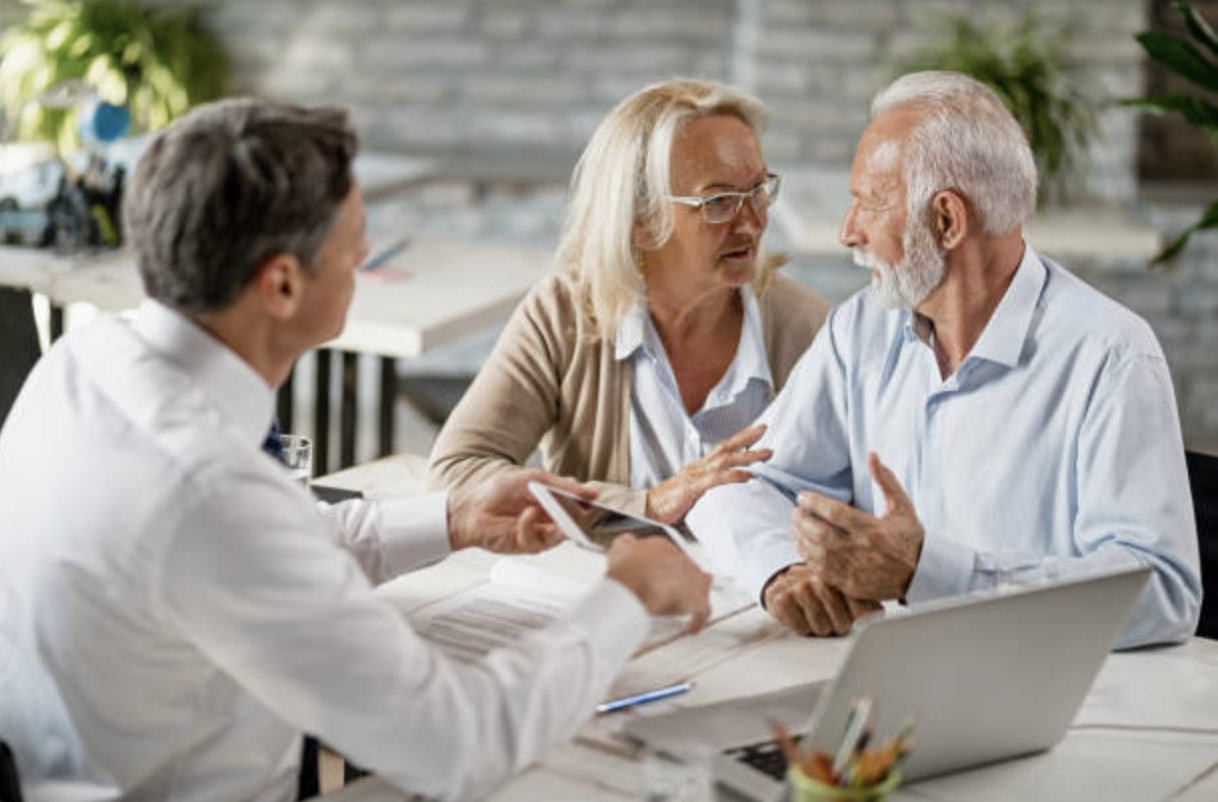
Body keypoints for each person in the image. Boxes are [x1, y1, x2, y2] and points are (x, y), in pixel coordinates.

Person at [0, 98, 711, 802]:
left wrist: (454, 518)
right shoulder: (210, 488)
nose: (366, 257)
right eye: (355, 240)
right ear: (282, 283)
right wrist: (627, 595)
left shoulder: (79, 364)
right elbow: (459, 745)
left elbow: (267, 546)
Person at [687, 71, 1201, 649]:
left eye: (867, 204)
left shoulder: (1111, 356)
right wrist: (782, 569)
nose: (848, 232)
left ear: (947, 220)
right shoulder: (861, 329)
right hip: (877, 673)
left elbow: (1164, 592)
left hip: (1045, 689)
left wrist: (926, 574)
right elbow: (732, 484)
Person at [428, 78, 830, 524]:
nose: (753, 221)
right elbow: (457, 472)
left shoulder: (810, 327)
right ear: (640, 219)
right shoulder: (563, 313)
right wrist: (646, 504)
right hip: (607, 569)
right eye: (718, 201)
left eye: (757, 189)